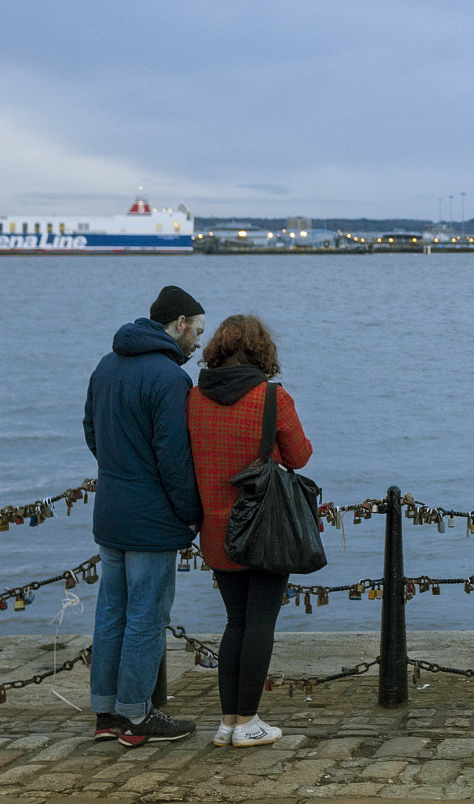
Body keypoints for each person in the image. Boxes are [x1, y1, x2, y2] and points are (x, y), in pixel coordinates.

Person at [84, 285, 206, 747]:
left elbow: (90, 431)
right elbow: (174, 458)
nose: (197, 340)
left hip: (110, 510)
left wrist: (119, 470)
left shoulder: (106, 365)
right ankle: (137, 717)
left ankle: (106, 712)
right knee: (146, 617)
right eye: (196, 330)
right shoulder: (170, 379)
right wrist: (190, 514)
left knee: (111, 612)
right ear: (178, 326)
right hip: (151, 519)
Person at [186, 313, 313, 748]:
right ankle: (249, 722)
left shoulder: (193, 399)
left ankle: (227, 723)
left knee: (235, 621)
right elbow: (299, 456)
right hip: (264, 527)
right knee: (261, 622)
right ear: (264, 351)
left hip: (216, 532)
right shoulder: (272, 397)